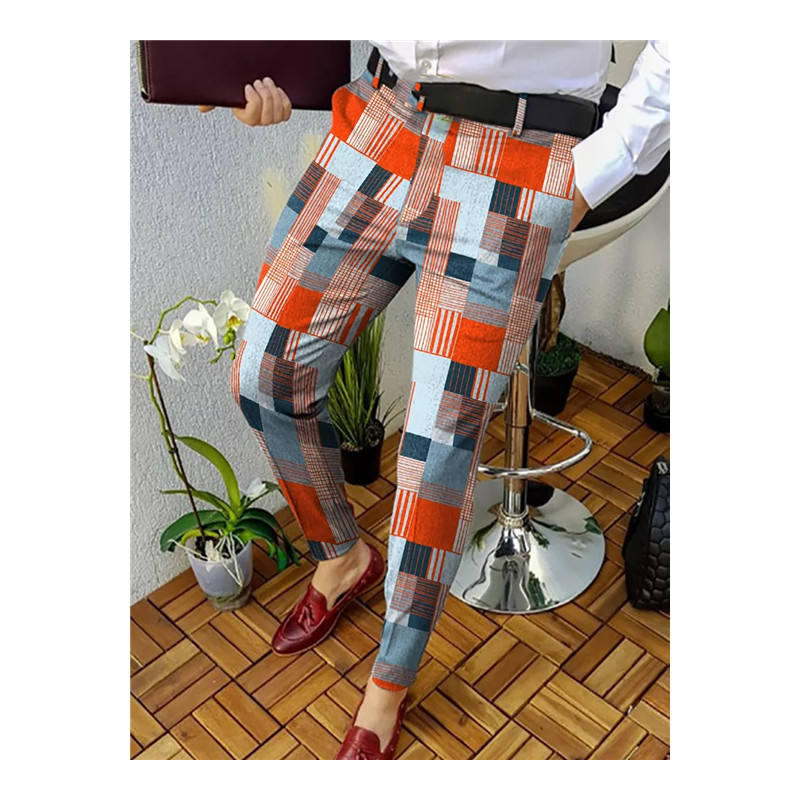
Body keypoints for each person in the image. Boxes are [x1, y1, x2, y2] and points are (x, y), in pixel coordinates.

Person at [201, 40, 670, 760]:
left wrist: (598, 166)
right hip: (383, 114)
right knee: (266, 373)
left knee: (435, 458)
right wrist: (246, 59)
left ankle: (388, 685)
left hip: (517, 154)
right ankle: (341, 555)